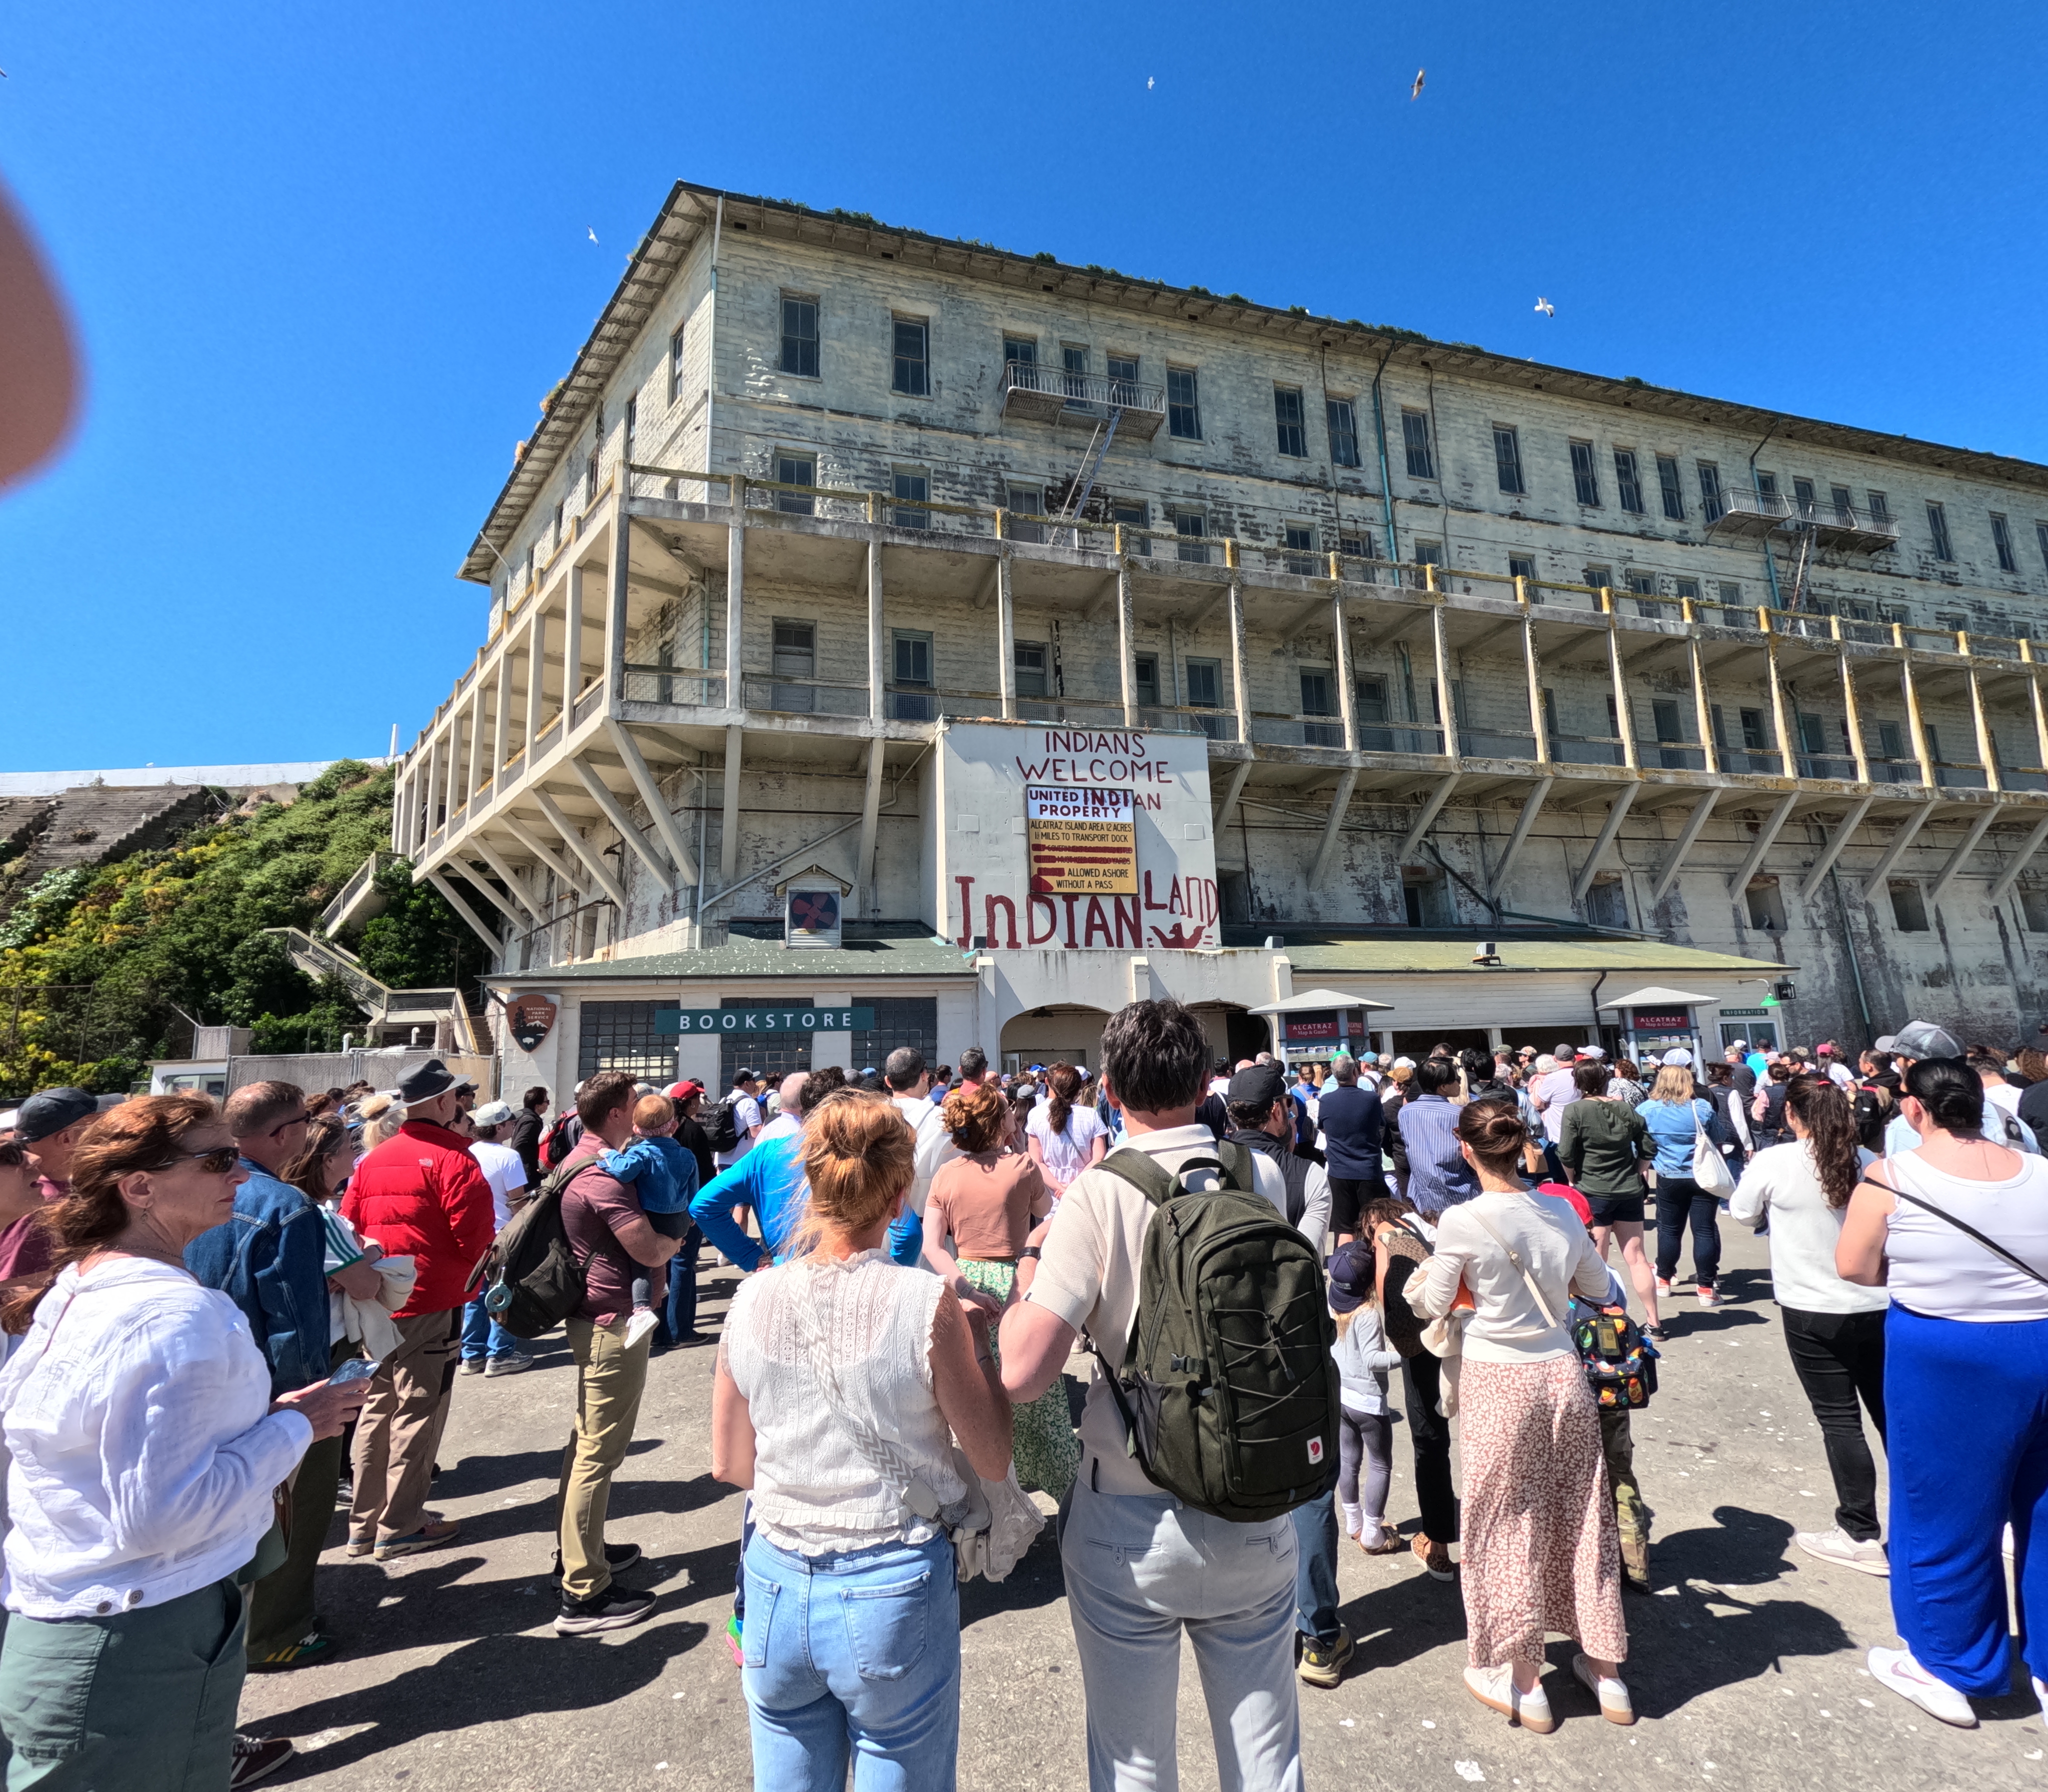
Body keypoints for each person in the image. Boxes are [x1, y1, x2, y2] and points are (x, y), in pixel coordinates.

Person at [0, 1096, 370, 1790]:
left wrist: (266, 1421)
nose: (239, 1175)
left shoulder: (78, 1289)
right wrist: (297, 1426)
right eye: (217, 1160)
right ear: (138, 1187)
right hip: (137, 1639)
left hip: (83, 1621)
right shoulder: (172, 1314)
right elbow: (162, 1512)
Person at [996, 999, 1306, 1792]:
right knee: (1268, 1760)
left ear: (1110, 1087)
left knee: (1134, 1761)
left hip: (1132, 1505)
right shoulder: (1259, 1171)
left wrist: (1032, 1269)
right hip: (1256, 1488)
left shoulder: (1098, 1195)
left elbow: (1025, 1372)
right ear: (1205, 1082)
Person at [711, 1089, 1011, 1789]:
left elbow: (729, 1463)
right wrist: (979, 1346)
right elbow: (993, 1455)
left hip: (776, 1579)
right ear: (900, 1193)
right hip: (891, 1578)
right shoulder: (923, 1303)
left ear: (810, 1183)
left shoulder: (751, 1298)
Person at [1836, 1054, 2048, 1729]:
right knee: (2043, 1512)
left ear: (1913, 1108)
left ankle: (1947, 1662)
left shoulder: (1892, 1177)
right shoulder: (2042, 1174)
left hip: (1947, 1352)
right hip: (2039, 1339)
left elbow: (1856, 1266)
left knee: (1944, 1513)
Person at [1414, 1100, 1633, 1732]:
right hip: (1561, 1371)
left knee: (1501, 1520)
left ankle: (1523, 1679)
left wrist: (1433, 1273)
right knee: (1582, 1511)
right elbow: (1600, 1288)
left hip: (1497, 1375)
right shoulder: (1560, 1209)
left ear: (1464, 1148)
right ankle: (1607, 1670)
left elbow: (1432, 1303)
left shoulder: (1461, 1218)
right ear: (1521, 1147)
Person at [179, 1081, 339, 1676]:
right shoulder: (285, 1205)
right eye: (304, 1121)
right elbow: (296, 1321)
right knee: (295, 1514)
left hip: (200, 1383)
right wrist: (311, 1404)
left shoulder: (185, 1194)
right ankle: (279, 1631)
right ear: (284, 1133)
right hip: (272, 1388)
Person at [1728, 1077, 1890, 1576]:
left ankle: (1859, 1529)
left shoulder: (1775, 1161)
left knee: (1839, 1418)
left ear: (1792, 1114)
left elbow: (1740, 1211)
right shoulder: (1867, 1160)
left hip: (1810, 1303)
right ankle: (1926, 1520)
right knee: (1892, 1415)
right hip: (1877, 1300)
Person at [340, 1058, 498, 1561]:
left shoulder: (372, 1159)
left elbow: (349, 1226)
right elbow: (474, 1239)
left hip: (377, 1298)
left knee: (376, 1408)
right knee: (419, 1410)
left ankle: (364, 1524)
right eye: (456, 1095)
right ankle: (401, 1521)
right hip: (432, 1296)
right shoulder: (455, 1158)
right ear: (444, 1101)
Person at [550, 1073, 680, 1634]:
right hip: (610, 1320)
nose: (640, 1108)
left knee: (586, 1440)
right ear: (616, 1112)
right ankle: (584, 1591)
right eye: (632, 1103)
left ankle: (580, 1548)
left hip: (593, 1313)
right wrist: (678, 1237)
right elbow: (646, 1246)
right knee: (598, 1452)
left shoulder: (579, 1158)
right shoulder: (603, 1175)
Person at [920, 1082, 1072, 1499]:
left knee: (979, 1390)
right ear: (999, 1122)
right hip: (1018, 1277)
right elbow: (1045, 1214)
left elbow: (932, 1246)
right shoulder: (1022, 1167)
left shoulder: (947, 1175)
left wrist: (965, 1287)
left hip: (966, 1280)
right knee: (1037, 1386)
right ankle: (1056, 1479)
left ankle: (995, 1487)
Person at [1557, 1058, 1662, 1336]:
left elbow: (1566, 1153)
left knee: (1597, 1260)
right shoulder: (1624, 1108)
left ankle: (1602, 1324)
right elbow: (1648, 1147)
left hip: (1593, 1190)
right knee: (1637, 1257)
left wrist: (1572, 1178)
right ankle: (1654, 1321)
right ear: (1606, 1080)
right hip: (1628, 1189)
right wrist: (1638, 1171)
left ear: (1578, 1084)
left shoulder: (1575, 1111)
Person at [600, 1092, 702, 1349]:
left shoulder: (640, 1155)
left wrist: (607, 1156)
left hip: (651, 1218)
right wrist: (689, 1216)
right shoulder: (687, 1156)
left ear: (636, 1128)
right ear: (674, 1126)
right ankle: (662, 1290)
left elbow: (622, 1171)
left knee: (641, 1263)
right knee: (673, 1259)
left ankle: (642, 1308)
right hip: (679, 1218)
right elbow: (693, 1189)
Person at [1327, 1236, 1403, 1560]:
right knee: (1381, 1464)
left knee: (1348, 1459)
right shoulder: (1368, 1312)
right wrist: (1403, 1354)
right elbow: (1374, 1359)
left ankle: (1353, 1522)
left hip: (1342, 1397)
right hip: (1369, 1403)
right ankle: (1372, 1533)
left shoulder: (1334, 1305)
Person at [1640, 1052, 1728, 1310]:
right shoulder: (1700, 1107)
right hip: (1702, 1175)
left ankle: (1664, 1279)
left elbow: (1639, 1141)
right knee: (1704, 1229)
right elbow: (1719, 1137)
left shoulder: (1647, 1109)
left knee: (1668, 1229)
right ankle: (1706, 1287)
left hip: (1668, 1175)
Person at [458, 1100, 534, 1378]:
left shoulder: (466, 1153)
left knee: (475, 1296)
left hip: (474, 1235)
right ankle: (500, 1354)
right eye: (510, 1123)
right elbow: (517, 1204)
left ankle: (472, 1355)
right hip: (503, 1235)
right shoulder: (508, 1157)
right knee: (503, 1293)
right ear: (499, 1127)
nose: (513, 1127)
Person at [0, 1087, 97, 1286]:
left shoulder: (38, 1192)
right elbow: (11, 1286)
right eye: (95, 1127)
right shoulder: (36, 1202)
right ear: (67, 1139)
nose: (106, 1134)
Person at [884, 1046, 956, 1262]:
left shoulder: (867, 1121)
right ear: (925, 1077)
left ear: (888, 1081)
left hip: (879, 1234)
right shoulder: (945, 1121)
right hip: (934, 1237)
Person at [1318, 1054, 1387, 1244]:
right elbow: (1380, 1125)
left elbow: (1323, 1128)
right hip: (1369, 1170)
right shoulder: (1372, 1099)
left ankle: (1345, 1272)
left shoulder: (1326, 1101)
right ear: (1355, 1072)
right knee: (1375, 1227)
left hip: (1339, 1173)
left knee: (1344, 1230)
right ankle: (1376, 1269)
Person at [1397, 1056, 1478, 1216]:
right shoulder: (1459, 1115)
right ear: (1443, 1087)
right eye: (1456, 1079)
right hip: (1459, 1194)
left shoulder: (1405, 1112)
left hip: (1422, 1195)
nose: (1460, 1082)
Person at [1023, 1060, 1108, 1208]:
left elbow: (1036, 1161)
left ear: (1051, 1085)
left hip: (1052, 1193)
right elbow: (1099, 1158)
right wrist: (1073, 1186)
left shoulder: (1037, 1116)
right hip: (1085, 1189)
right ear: (1078, 1089)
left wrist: (1059, 1188)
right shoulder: (1091, 1115)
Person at [714, 1070, 766, 1174]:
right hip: (741, 1160)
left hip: (721, 1159)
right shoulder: (749, 1103)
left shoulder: (724, 1101)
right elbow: (756, 1132)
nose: (755, 1084)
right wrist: (768, 1120)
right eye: (753, 1080)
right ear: (747, 1083)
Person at [510, 1085, 548, 1187]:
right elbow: (520, 1145)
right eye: (546, 1102)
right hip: (527, 1173)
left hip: (523, 1171)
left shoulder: (523, 1117)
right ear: (537, 1106)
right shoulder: (530, 1121)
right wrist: (534, 1162)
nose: (548, 1105)